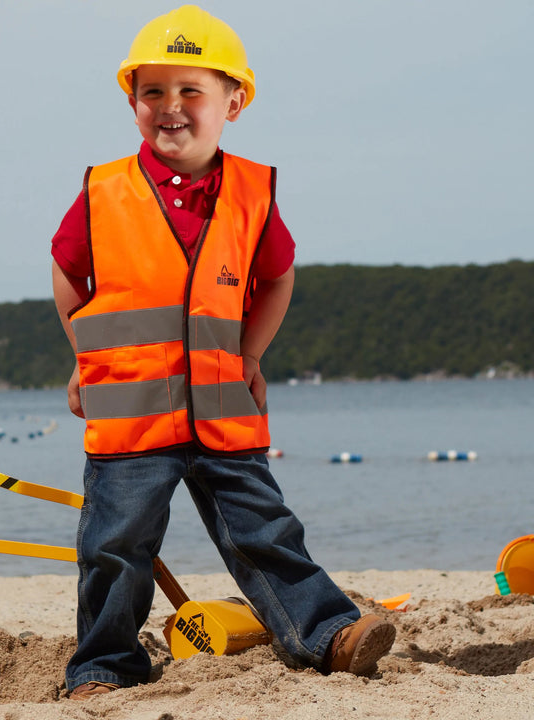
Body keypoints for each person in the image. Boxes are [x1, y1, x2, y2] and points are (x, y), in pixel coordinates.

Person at [51, 5, 395, 701]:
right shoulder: (102, 192)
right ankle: (103, 667)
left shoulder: (251, 193)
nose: (170, 107)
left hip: (222, 405)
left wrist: (252, 355)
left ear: (232, 102)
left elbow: (278, 276)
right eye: (153, 91)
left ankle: (326, 635)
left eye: (191, 91)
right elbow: (67, 269)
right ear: (132, 101)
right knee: (116, 549)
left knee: (265, 532)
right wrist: (85, 356)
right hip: (132, 413)